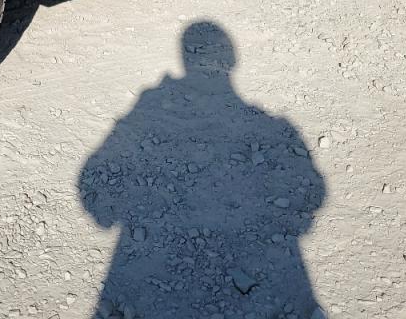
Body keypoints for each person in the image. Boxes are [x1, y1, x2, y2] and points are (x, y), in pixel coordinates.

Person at [79, 21, 326, 318]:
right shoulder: (271, 126)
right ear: (232, 61)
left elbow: (92, 184)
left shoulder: (150, 104)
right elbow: (312, 193)